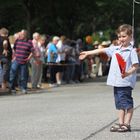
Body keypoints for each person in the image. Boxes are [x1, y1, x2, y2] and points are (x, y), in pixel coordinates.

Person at [79, 24, 139, 132]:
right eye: (119, 37)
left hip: (125, 82)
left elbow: (135, 66)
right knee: (120, 104)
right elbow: (101, 50)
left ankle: (127, 124)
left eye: (124, 36)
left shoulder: (131, 51)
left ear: (130, 37)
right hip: (116, 82)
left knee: (127, 104)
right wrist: (87, 53)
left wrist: (126, 73)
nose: (121, 39)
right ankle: (121, 123)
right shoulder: (115, 49)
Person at [9, 29, 34, 94]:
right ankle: (11, 88)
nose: (20, 35)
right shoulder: (17, 40)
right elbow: (14, 49)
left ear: (25, 35)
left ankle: (23, 88)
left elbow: (32, 51)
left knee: (23, 76)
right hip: (16, 60)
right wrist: (14, 56)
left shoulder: (29, 42)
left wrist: (28, 58)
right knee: (12, 74)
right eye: (20, 34)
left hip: (24, 61)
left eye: (21, 34)